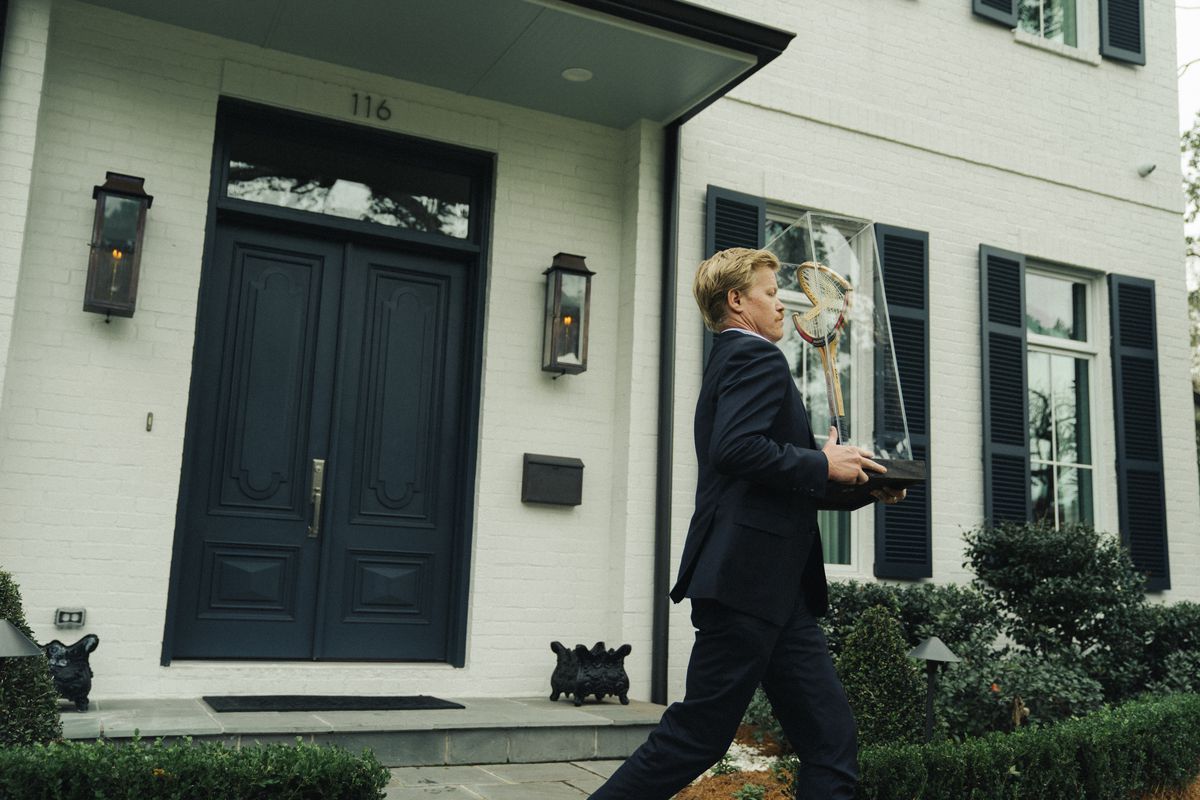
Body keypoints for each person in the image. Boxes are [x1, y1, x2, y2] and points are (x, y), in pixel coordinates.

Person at [589, 247, 906, 800]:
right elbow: (736, 449)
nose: (781, 306)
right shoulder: (752, 356)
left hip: (778, 592)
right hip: (746, 584)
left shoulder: (734, 359)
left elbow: (766, 486)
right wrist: (819, 461)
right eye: (768, 293)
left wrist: (862, 484)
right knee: (698, 737)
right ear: (736, 300)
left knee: (831, 740)